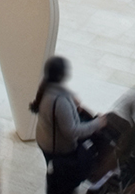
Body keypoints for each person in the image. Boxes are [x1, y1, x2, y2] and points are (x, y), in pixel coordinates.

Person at [33, 57, 112, 194]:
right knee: (67, 174)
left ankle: (57, 181)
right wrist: (97, 123)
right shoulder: (59, 102)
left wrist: (71, 99)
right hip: (58, 148)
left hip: (44, 140)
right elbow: (72, 132)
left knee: (56, 170)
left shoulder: (46, 86)